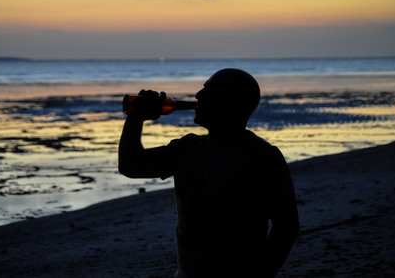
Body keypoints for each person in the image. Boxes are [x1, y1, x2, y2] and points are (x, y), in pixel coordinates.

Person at [119, 68, 300, 277]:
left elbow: (286, 227)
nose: (198, 95)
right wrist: (135, 118)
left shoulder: (262, 157)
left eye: (209, 91)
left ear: (231, 104)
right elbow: (131, 166)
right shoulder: (187, 149)